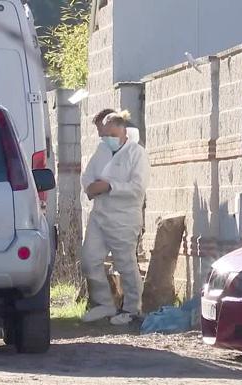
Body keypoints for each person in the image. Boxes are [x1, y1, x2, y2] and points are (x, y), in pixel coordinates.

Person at [81, 110, 150, 325]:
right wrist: (91, 188)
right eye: (103, 134)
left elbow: (138, 188)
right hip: (100, 215)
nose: (106, 138)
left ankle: (132, 309)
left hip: (124, 218)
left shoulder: (136, 153)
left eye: (111, 134)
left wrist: (110, 186)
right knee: (89, 259)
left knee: (126, 264)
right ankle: (104, 304)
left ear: (122, 131)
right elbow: (88, 175)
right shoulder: (102, 149)